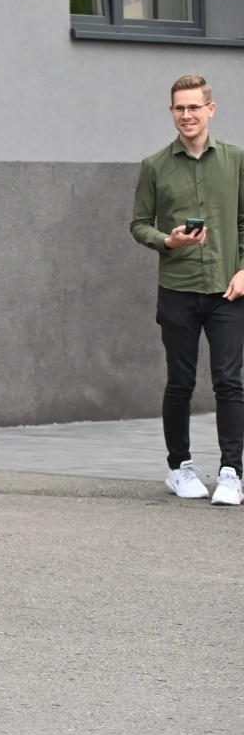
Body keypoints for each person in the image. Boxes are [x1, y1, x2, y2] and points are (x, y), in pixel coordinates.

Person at [131, 74, 244, 506]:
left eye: (194, 107)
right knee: (180, 382)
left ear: (210, 110)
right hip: (177, 289)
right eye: (179, 108)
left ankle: (232, 472)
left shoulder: (236, 159)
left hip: (227, 291)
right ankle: (180, 467)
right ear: (171, 112)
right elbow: (139, 224)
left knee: (229, 383)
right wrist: (167, 241)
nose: (187, 115)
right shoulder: (155, 165)